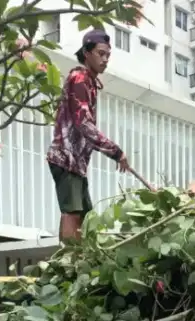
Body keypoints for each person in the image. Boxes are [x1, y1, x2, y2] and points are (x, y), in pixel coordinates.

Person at [46, 29, 129, 242]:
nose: (105, 60)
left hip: (77, 164)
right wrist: (116, 152)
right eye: (101, 54)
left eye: (108, 55)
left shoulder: (90, 83)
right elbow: (84, 124)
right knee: (73, 211)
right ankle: (68, 262)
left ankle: (77, 259)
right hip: (66, 159)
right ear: (86, 52)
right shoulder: (80, 78)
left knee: (85, 215)